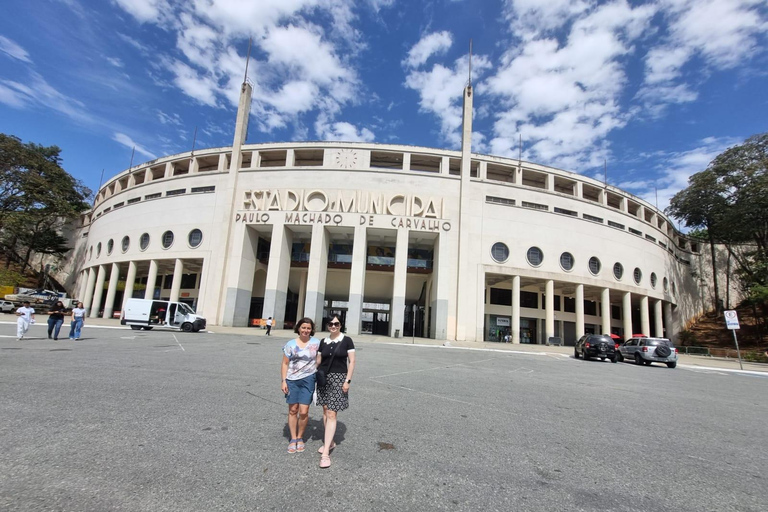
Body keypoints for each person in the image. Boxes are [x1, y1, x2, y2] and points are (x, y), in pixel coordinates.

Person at [316, 315, 356, 469]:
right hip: (323, 378)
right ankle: (330, 442)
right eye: (331, 324)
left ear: (341, 325)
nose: (333, 326)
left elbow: (352, 361)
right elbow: (318, 361)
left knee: (332, 413)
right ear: (327, 326)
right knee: (326, 410)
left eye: (336, 324)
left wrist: (347, 381)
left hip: (339, 379)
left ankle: (325, 453)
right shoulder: (323, 342)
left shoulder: (347, 340)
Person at [280, 317, 320, 454]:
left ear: (311, 330)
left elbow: (321, 360)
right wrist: (283, 380)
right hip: (292, 380)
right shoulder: (290, 344)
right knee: (293, 410)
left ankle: (300, 437)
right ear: (298, 328)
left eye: (308, 328)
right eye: (303, 327)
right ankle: (293, 438)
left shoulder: (316, 343)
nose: (306, 330)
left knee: (304, 411)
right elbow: (285, 363)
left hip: (308, 379)